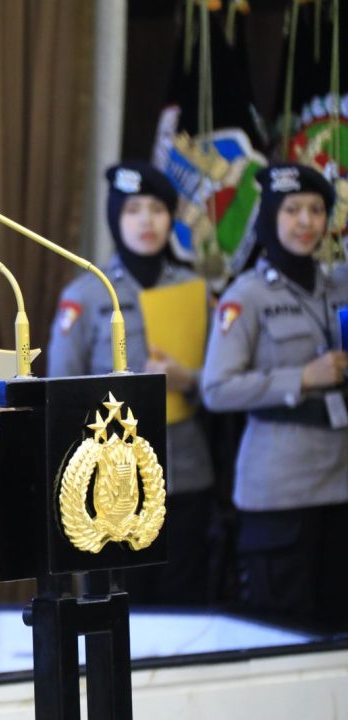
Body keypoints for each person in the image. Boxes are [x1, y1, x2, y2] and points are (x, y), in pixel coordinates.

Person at [47, 161, 216, 605]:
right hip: (113, 482)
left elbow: (222, 382)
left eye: (157, 210)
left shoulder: (195, 290)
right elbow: (60, 391)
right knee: (118, 608)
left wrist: (188, 380)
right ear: (115, 218)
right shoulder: (86, 295)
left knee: (185, 607)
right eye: (133, 210)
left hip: (184, 472)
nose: (146, 221)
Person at [203, 163, 348, 632]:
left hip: (340, 483)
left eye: (316, 210)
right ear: (270, 217)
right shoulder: (246, 296)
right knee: (282, 630)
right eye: (292, 210)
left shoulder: (339, 286)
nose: (306, 221)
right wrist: (301, 378)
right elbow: (216, 388)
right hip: (280, 490)